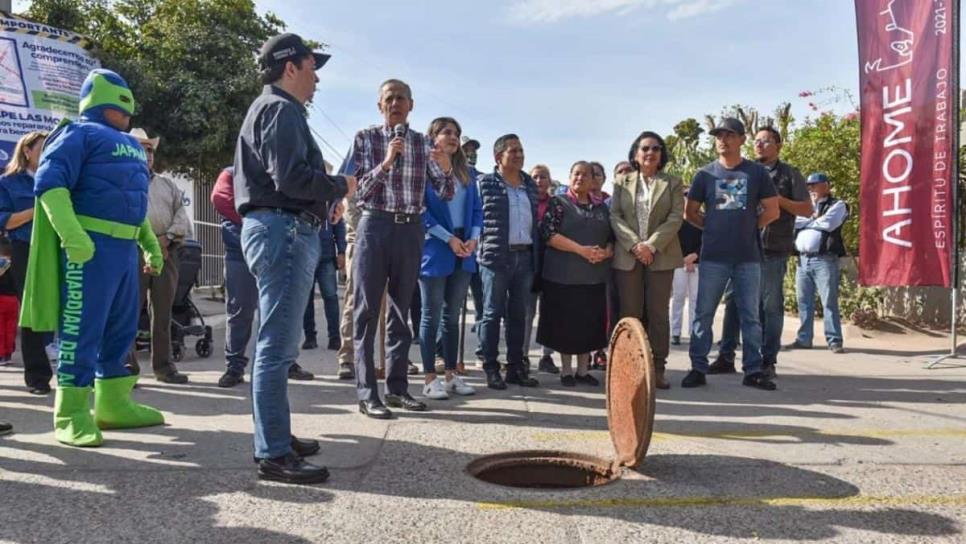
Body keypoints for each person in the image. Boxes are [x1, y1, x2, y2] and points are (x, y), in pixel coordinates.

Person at [21, 68, 166, 447]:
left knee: (121, 329)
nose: (129, 108)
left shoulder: (133, 145)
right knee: (81, 328)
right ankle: (70, 412)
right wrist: (73, 236)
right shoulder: (75, 133)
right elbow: (50, 186)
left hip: (124, 250)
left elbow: (136, 204)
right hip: (90, 248)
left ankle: (113, 404)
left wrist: (149, 244)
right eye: (122, 100)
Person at [234, 33, 354, 483]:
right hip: (282, 230)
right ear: (290, 67)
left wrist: (325, 198)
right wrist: (339, 186)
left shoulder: (275, 110)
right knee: (276, 345)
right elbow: (291, 178)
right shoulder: (279, 110)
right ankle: (274, 454)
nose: (316, 76)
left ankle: (277, 436)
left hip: (283, 228)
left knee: (280, 344)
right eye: (311, 65)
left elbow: (289, 179)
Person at [349, 79, 454, 419]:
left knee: (401, 312)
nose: (395, 103)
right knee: (366, 312)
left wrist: (447, 169)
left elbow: (446, 192)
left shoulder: (423, 144)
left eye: (401, 98)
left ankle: (396, 389)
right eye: (389, 98)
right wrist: (388, 162)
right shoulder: (367, 138)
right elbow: (360, 191)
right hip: (375, 225)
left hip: (410, 230)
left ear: (412, 105)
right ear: (380, 105)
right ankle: (368, 394)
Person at [681, 118, 779, 391]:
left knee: (751, 316)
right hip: (713, 256)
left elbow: (772, 210)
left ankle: (753, 370)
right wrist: (711, 228)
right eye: (718, 136)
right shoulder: (704, 175)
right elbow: (690, 212)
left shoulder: (757, 173)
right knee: (703, 313)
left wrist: (748, 228)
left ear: (742, 139)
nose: (723, 140)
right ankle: (698, 368)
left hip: (748, 257)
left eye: (729, 135)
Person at [710, 126, 811, 378]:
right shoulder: (742, 171)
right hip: (740, 248)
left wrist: (777, 200)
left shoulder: (789, 174)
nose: (759, 145)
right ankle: (726, 356)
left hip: (772, 250)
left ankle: (768, 360)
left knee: (770, 306)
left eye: (766, 141)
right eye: (756, 141)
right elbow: (728, 207)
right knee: (733, 302)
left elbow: (807, 210)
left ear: (778, 146)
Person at [610, 131, 684, 390]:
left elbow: (675, 218)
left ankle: (658, 368)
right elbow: (615, 216)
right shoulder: (621, 182)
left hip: (661, 255)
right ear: (635, 154)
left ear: (661, 154)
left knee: (657, 314)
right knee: (630, 313)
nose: (650, 153)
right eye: (645, 148)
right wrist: (634, 245)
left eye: (655, 148)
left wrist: (651, 245)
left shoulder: (673, 183)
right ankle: (629, 366)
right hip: (628, 256)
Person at [418, 117, 481, 400]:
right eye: (446, 132)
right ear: (433, 137)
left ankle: (452, 374)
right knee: (431, 315)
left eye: (456, 133)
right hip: (436, 246)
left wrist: (473, 238)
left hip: (465, 247)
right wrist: (449, 239)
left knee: (452, 317)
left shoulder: (468, 173)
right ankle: (430, 378)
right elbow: (421, 211)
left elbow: (477, 210)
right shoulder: (423, 170)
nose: (453, 137)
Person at [125, 128, 192, 384]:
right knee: (129, 311)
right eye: (141, 148)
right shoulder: (125, 181)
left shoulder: (167, 184)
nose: (147, 153)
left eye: (150, 149)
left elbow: (181, 217)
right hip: (134, 251)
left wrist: (166, 239)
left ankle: (164, 368)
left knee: (162, 313)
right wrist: (149, 243)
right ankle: (126, 367)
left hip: (168, 251)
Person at [537, 161, 613, 386]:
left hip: (594, 278)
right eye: (576, 174)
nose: (580, 178)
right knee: (565, 326)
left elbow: (612, 237)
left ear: (593, 180)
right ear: (570, 177)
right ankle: (566, 371)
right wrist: (581, 250)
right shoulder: (558, 203)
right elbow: (549, 234)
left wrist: (607, 252)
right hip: (562, 277)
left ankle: (583, 370)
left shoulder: (601, 208)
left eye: (585, 175)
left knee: (588, 325)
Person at [478, 134, 540, 389]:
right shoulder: (485, 184)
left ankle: (515, 367)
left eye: (521, 150)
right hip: (495, 257)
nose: (519, 155)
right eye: (512, 151)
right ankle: (491, 367)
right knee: (492, 314)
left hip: (524, 256)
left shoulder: (529, 186)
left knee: (518, 315)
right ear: (498, 157)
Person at [0, 130, 53, 394]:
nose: (47, 153)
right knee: (31, 312)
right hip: (26, 249)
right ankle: (38, 377)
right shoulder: (8, 182)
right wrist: (39, 209)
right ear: (27, 151)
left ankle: (76, 373)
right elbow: (5, 221)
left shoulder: (59, 179)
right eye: (42, 147)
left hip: (59, 249)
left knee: (69, 308)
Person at [789, 172, 848, 353]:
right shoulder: (806, 206)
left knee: (828, 300)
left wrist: (808, 221)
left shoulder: (838, 205)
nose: (811, 189)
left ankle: (834, 340)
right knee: (803, 301)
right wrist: (813, 219)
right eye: (809, 186)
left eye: (814, 185)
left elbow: (829, 224)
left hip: (824, 259)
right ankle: (804, 339)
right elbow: (793, 222)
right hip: (803, 259)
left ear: (826, 186)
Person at [526, 164, 558, 374]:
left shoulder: (557, 204)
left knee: (550, 312)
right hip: (528, 262)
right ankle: (521, 355)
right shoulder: (524, 201)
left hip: (552, 262)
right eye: (535, 177)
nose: (539, 181)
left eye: (543, 177)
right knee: (526, 312)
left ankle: (546, 356)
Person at [302, 213, 346, 351]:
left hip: (326, 256)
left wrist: (341, 251)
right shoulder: (300, 195)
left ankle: (334, 338)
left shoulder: (329, 197)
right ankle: (310, 337)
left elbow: (338, 225)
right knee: (306, 300)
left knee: (331, 297)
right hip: (305, 256)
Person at [670, 191, 702, 346]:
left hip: (698, 263)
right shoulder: (675, 220)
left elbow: (707, 240)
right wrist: (684, 260)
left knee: (696, 299)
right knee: (678, 297)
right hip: (678, 264)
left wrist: (695, 256)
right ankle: (675, 332)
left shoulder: (702, 218)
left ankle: (693, 332)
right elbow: (671, 242)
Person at [0, 237, 17, 363]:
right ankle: (8, 354)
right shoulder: (16, 264)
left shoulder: (1, 264)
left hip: (1, 298)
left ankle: (1, 354)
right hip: (13, 299)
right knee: (10, 328)